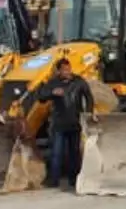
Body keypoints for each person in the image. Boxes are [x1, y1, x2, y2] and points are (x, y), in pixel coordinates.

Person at [33, 58, 95, 189]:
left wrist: (88, 113)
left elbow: (89, 96)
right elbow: (41, 97)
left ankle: (74, 179)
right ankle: (54, 180)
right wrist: (52, 92)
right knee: (56, 153)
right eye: (64, 70)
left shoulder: (78, 81)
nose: (67, 72)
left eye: (68, 69)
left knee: (74, 153)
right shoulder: (53, 83)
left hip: (75, 122)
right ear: (59, 71)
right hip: (59, 124)